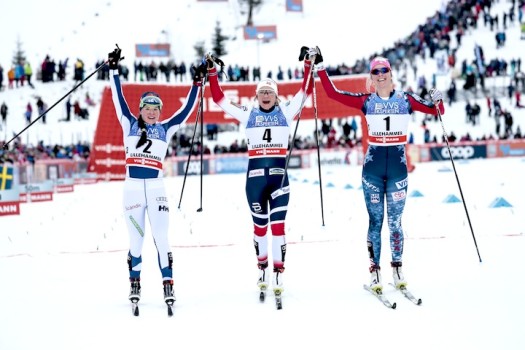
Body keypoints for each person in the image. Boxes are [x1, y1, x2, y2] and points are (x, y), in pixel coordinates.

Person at [310, 47, 445, 293]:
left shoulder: (406, 100)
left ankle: (397, 268)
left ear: (391, 74)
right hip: (372, 172)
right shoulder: (366, 101)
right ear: (371, 78)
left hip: (398, 172)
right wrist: (319, 65)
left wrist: (438, 99)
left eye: (384, 70)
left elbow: (437, 112)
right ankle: (375, 271)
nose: (380, 74)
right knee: (376, 221)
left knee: (395, 223)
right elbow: (332, 94)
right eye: (375, 71)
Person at [205, 49, 314, 299]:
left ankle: (278, 271)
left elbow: (305, 91)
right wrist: (211, 71)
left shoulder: (285, 112)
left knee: (278, 227)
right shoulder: (248, 114)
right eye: (262, 92)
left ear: (276, 96)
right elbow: (219, 98)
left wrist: (309, 63)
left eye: (270, 92)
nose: (266, 96)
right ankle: (262, 267)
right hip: (254, 181)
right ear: (256, 96)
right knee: (259, 229)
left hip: (280, 179)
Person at [107, 46, 206, 308]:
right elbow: (118, 97)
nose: (152, 112)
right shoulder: (128, 122)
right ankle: (135, 282)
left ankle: (168, 283)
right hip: (132, 191)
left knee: (162, 238)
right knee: (136, 241)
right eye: (147, 108)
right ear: (140, 109)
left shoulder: (165, 128)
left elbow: (185, 112)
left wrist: (197, 83)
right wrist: (114, 70)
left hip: (156, 188)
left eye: (156, 108)